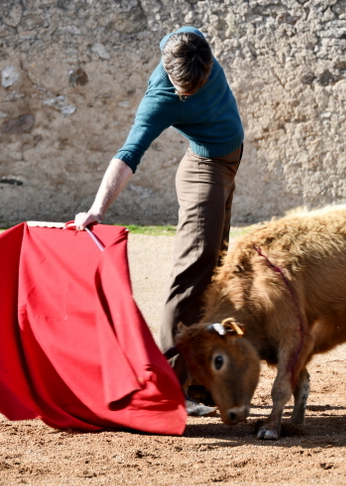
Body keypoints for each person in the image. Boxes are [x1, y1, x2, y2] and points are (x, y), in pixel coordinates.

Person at [74, 26, 244, 417]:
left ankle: (200, 382)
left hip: (227, 166)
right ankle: (168, 387)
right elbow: (128, 154)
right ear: (169, 77)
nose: (190, 93)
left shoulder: (190, 40)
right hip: (205, 171)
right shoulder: (161, 98)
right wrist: (97, 210)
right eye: (185, 90)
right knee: (191, 276)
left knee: (215, 271)